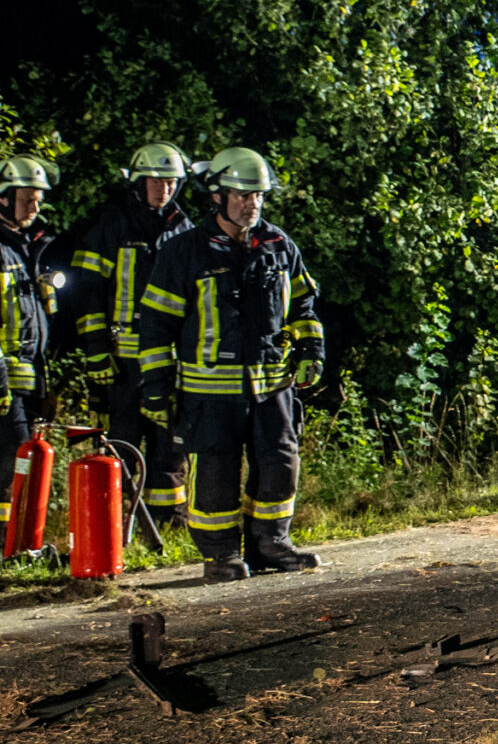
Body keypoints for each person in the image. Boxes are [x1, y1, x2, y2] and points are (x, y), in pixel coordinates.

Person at [135, 148, 325, 580]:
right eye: (242, 196)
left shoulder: (278, 245)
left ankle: (271, 545)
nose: (251, 204)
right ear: (217, 197)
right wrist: (158, 387)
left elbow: (305, 307)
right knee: (216, 471)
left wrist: (312, 350)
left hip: (272, 385)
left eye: (257, 195)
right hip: (209, 391)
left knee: (279, 462)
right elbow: (156, 327)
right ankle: (220, 556)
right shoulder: (184, 252)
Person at [64, 144, 196, 534]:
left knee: (170, 446)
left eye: (171, 181)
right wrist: (96, 349)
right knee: (120, 444)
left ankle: (167, 527)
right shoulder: (112, 226)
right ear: (138, 182)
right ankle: (112, 530)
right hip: (121, 361)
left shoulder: (184, 229)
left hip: (169, 361)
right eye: (157, 180)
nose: (164, 189)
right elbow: (88, 292)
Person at [0, 156, 57, 544]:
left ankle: (16, 541)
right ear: (3, 199)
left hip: (29, 378)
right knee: (12, 464)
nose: (35, 208)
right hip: (6, 381)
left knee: (21, 460)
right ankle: (9, 543)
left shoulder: (24, 247)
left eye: (39, 200)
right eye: (28, 200)